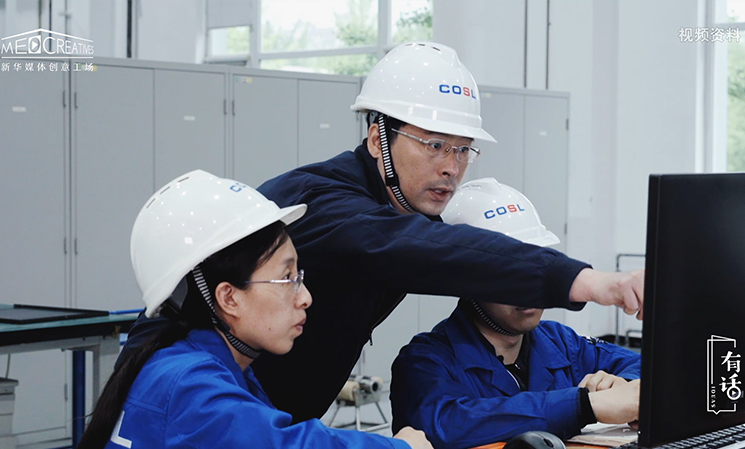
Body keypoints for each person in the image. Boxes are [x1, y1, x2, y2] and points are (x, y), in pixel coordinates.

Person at [120, 42, 644, 423]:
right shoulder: (324, 203)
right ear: (377, 138)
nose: (452, 167)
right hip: (206, 404)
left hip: (274, 408)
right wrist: (592, 282)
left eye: (463, 149)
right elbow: (416, 249)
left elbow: (449, 244)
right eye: (434, 145)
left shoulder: (411, 210)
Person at [79, 170, 433, 449]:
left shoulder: (195, 366)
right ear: (228, 298)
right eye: (286, 278)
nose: (305, 297)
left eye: (300, 276)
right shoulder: (189, 386)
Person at [389, 178, 641, 449]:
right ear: (464, 279)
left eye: (532, 273)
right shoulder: (425, 360)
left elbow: (646, 367)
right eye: (509, 275)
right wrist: (584, 405)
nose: (528, 290)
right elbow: (445, 425)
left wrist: (624, 387)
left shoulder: (560, 342)